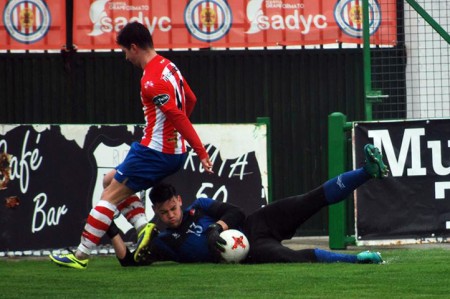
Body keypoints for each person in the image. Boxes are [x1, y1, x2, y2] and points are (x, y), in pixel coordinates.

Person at [49, 21, 213, 270]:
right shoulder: (170, 67)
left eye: (125, 51)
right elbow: (191, 99)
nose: (126, 57)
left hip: (154, 151)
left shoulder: (151, 79)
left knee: (108, 197)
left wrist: (200, 151)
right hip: (170, 150)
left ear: (134, 47)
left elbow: (176, 115)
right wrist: (178, 137)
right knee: (109, 180)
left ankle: (80, 256)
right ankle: (142, 227)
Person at [109, 144, 388, 266]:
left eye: (173, 208)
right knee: (291, 258)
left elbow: (236, 212)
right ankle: (357, 259)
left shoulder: (200, 206)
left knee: (308, 200)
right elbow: (129, 262)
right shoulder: (165, 240)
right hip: (251, 252)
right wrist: (108, 224)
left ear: (179, 200)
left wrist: (215, 228)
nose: (170, 216)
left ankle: (367, 171)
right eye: (164, 213)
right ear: (155, 213)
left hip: (256, 224)